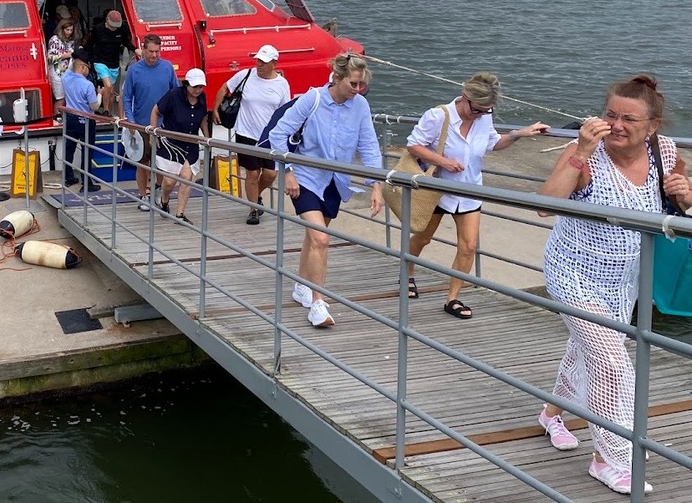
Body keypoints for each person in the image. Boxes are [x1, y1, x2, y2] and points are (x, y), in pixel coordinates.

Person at [536, 75, 692, 495]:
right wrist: (581, 150)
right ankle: (609, 457)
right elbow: (544, 205)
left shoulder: (665, 152)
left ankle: (552, 414)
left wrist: (685, 195)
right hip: (572, 271)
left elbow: (682, 203)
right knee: (610, 361)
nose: (616, 125)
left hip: (624, 278)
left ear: (653, 126)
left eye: (629, 119)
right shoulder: (585, 153)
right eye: (610, 115)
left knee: (582, 349)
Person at [404, 73, 549, 319]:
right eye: (477, 109)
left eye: (486, 111)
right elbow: (413, 144)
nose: (480, 114)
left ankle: (453, 298)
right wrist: (443, 162)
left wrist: (518, 134)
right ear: (465, 98)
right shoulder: (438, 116)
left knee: (469, 246)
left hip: (470, 191)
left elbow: (493, 143)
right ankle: (406, 273)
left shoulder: (483, 118)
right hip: (437, 190)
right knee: (422, 238)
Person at [269, 52, 384, 328]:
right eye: (354, 84)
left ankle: (301, 286)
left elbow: (368, 145)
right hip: (306, 178)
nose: (358, 90)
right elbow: (278, 133)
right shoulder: (313, 99)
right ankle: (318, 304)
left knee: (313, 239)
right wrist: (288, 172)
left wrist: (376, 186)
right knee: (321, 239)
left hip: (336, 182)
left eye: (361, 85)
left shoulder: (361, 107)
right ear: (337, 78)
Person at [211, 44, 290, 225]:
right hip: (245, 132)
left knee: (270, 174)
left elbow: (285, 110)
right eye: (258, 60)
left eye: (263, 62)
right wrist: (215, 108)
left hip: (269, 136)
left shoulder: (282, 84)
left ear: (274, 64)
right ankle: (253, 209)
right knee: (252, 174)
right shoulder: (245, 75)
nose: (259, 64)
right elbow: (225, 88)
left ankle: (256, 196)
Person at [120, 34, 179, 211]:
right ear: (143, 50)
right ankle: (143, 195)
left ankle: (157, 192)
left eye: (157, 51)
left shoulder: (168, 67)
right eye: (151, 51)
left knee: (162, 163)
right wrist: (130, 122)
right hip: (141, 124)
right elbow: (127, 96)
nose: (154, 55)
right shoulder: (134, 70)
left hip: (163, 126)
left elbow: (176, 93)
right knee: (143, 163)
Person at [149, 68, 210, 224]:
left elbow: (202, 117)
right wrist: (153, 132)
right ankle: (164, 200)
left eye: (200, 87)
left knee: (187, 178)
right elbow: (156, 110)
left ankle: (180, 214)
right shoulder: (174, 95)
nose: (198, 90)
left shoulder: (202, 97)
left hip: (190, 144)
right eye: (194, 86)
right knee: (169, 182)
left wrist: (207, 137)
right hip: (171, 143)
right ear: (186, 85)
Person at [60, 48, 102, 192]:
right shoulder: (88, 85)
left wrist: (76, 57)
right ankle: (87, 183)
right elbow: (94, 105)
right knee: (87, 152)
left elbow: (73, 66)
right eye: (87, 68)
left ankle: (68, 177)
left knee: (69, 148)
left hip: (70, 118)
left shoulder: (66, 78)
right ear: (83, 67)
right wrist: (100, 94)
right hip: (86, 120)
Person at [86, 9, 135, 116]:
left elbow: (126, 41)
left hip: (114, 63)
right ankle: (106, 111)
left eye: (116, 26)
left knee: (111, 91)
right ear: (107, 20)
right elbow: (89, 45)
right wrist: (89, 61)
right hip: (99, 61)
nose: (114, 28)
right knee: (107, 86)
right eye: (112, 25)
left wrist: (135, 49)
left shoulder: (122, 28)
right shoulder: (98, 29)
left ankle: (109, 115)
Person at [47, 18, 77, 116]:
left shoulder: (71, 41)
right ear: (61, 29)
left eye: (71, 30)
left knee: (68, 98)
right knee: (60, 98)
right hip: (56, 73)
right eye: (67, 30)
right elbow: (49, 58)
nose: (69, 32)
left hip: (68, 73)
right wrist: (65, 55)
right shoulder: (54, 40)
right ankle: (56, 116)